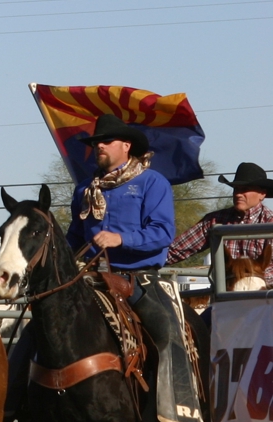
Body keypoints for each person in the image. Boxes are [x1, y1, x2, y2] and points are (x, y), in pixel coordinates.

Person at [65, 114, 201, 421]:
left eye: (105, 141)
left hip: (138, 278)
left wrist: (120, 238)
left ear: (126, 146)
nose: (98, 146)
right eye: (95, 142)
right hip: (91, 277)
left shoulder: (152, 183)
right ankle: (14, 404)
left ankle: (174, 409)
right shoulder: (85, 190)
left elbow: (162, 233)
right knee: (41, 329)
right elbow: (74, 235)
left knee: (167, 334)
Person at [167, 162, 273, 288]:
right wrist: (143, 261)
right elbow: (177, 250)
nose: (238, 194)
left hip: (264, 297)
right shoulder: (215, 221)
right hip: (224, 295)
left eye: (245, 189)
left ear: (262, 194)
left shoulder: (270, 223)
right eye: (236, 189)